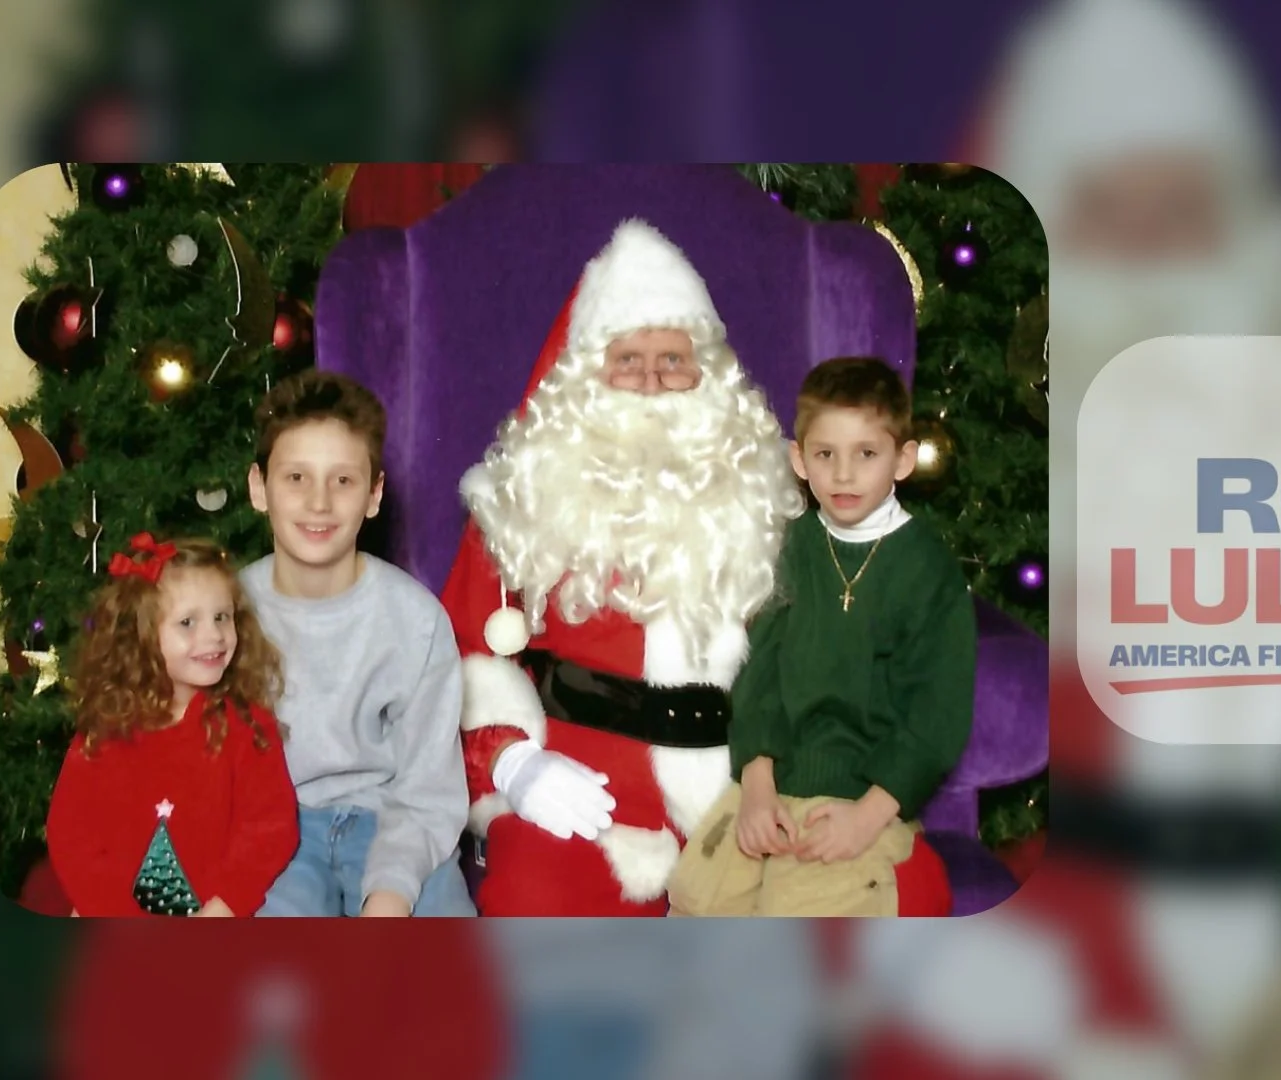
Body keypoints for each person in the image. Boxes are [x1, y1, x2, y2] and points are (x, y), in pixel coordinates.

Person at [440, 217, 804, 916]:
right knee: (533, 909)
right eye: (627, 360)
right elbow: (460, 654)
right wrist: (514, 765)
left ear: (709, 377)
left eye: (673, 360)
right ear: (585, 377)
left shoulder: (761, 500)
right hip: (584, 786)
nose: (650, 383)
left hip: (744, 789)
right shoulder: (521, 500)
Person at [666, 357, 971, 918]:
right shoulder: (793, 547)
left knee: (799, 917)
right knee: (698, 896)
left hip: (862, 796)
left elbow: (937, 713)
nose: (844, 474)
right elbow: (759, 674)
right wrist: (757, 785)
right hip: (773, 781)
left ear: (903, 460)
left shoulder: (926, 570)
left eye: (867, 454)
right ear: (799, 460)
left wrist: (869, 816)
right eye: (826, 455)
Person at [242, 370, 473, 917]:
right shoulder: (224, 618)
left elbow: (427, 791)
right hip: (272, 830)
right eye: (296, 477)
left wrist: (390, 896)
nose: (318, 502)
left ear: (374, 495)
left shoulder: (416, 621)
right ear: (259, 488)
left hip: (394, 821)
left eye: (342, 481)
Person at [46, 534, 298, 917]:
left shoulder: (248, 724)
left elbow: (270, 827)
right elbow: (72, 836)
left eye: (221, 617)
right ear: (142, 635)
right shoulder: (105, 730)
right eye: (187, 622)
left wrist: (225, 904)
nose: (213, 635)